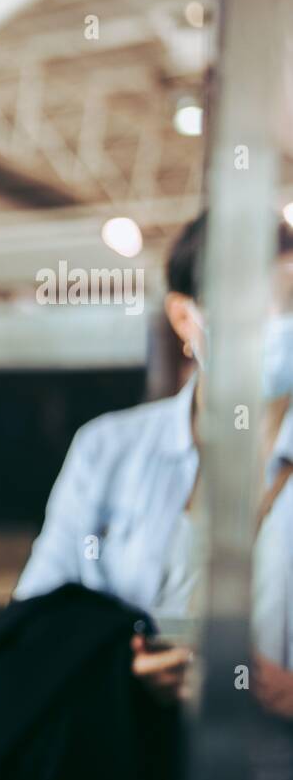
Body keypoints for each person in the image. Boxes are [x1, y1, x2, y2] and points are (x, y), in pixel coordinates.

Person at [16, 212, 292, 707]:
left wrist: (282, 695)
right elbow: (35, 621)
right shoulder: (108, 451)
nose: (274, 320)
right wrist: (119, 665)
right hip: (127, 766)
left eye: (288, 300)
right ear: (186, 317)